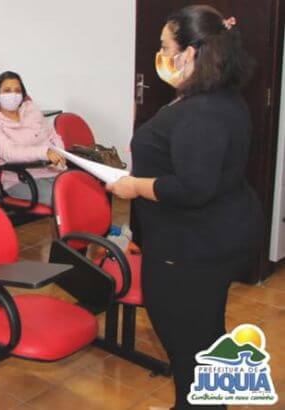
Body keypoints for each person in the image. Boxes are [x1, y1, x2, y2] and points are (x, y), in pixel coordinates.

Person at [106, 6, 260, 409]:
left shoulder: (202, 112)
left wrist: (135, 185)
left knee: (189, 348)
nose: (160, 54)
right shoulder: (217, 97)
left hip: (191, 247)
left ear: (189, 53)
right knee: (206, 340)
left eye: (164, 46)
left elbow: (194, 187)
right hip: (218, 235)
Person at [0, 71, 65, 206]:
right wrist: (45, 153)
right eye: (7, 90)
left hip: (53, 171)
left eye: (17, 91)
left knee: (85, 190)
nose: (13, 95)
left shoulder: (32, 109)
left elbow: (53, 135)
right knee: (65, 200)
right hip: (21, 179)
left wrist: (60, 153)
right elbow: (10, 153)